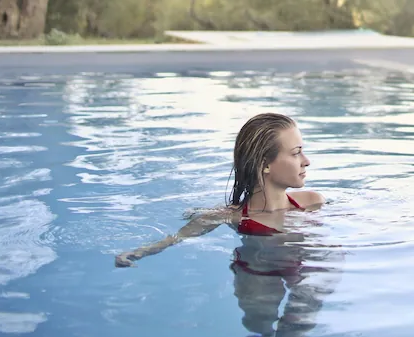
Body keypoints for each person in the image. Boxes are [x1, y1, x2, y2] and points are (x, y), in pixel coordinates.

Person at [115, 113, 336, 335]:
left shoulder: (312, 202)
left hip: (300, 269)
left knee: (298, 320)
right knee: (258, 325)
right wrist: (139, 252)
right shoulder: (233, 216)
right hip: (256, 271)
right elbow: (176, 238)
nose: (306, 160)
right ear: (265, 165)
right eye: (296, 153)